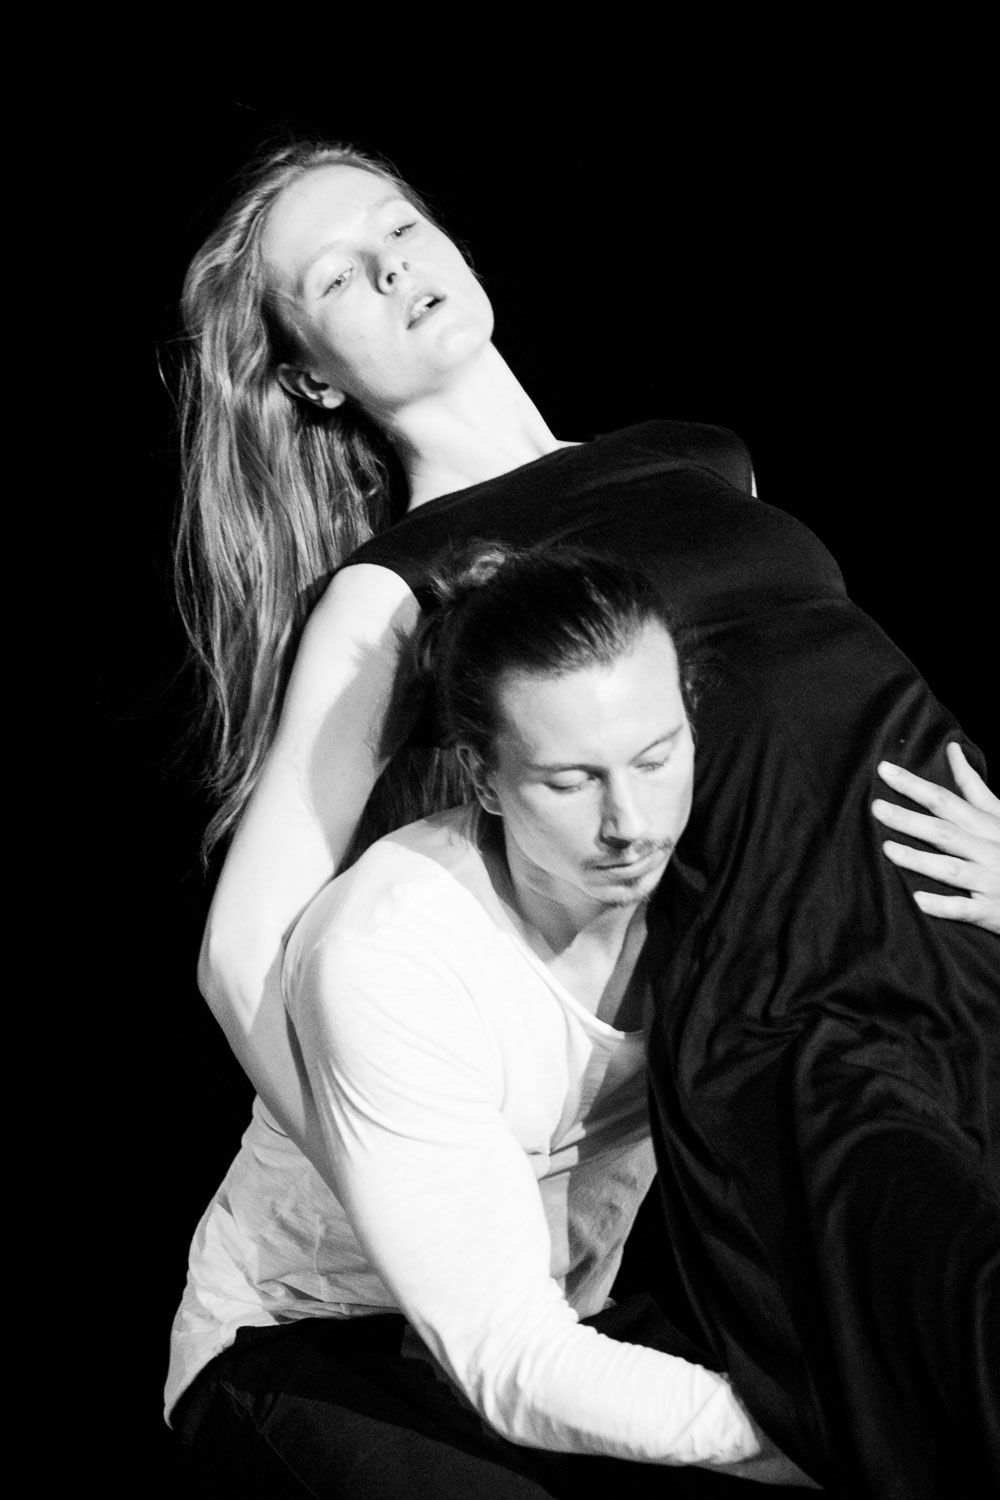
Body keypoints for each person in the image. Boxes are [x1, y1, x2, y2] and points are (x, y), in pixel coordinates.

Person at [173, 142, 999, 1496]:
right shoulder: (405, 586)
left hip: (968, 954)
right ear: (311, 375)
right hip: (812, 1009)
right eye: (339, 276)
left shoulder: (697, 456)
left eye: (401, 227)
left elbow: (828, 703)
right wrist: (420, 1197)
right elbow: (237, 949)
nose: (395, 267)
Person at [167, 544, 819, 1497]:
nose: (631, 822)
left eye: (655, 757)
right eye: (571, 781)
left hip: (557, 1320)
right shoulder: (392, 952)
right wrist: (845, 1446)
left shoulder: (721, 865)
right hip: (311, 1336)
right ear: (481, 778)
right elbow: (509, 1363)